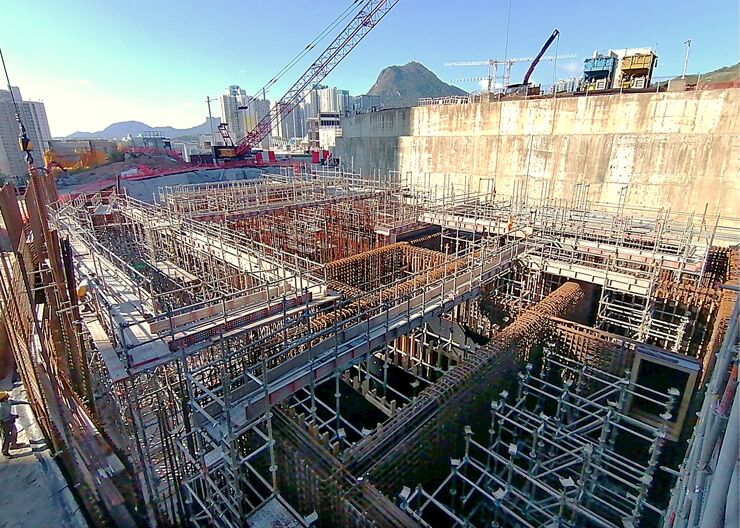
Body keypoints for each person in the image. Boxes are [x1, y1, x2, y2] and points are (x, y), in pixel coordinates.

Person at [0, 390, 28, 457]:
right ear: (3, 398)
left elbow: (17, 402)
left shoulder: (8, 402)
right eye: (6, 395)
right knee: (6, 437)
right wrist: (13, 416)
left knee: (14, 431)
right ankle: (5, 452)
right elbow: (3, 417)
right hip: (4, 423)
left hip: (10, 420)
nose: (8, 395)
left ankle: (13, 444)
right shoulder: (1, 407)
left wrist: (28, 402)